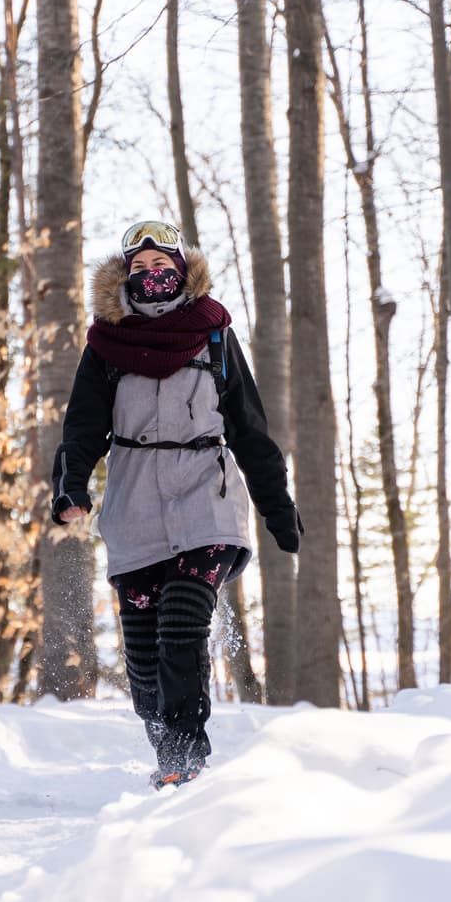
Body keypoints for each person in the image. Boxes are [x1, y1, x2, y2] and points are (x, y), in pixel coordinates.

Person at [50, 219, 301, 788]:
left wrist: (276, 507)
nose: (152, 274)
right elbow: (82, 427)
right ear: (122, 280)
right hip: (134, 499)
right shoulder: (106, 345)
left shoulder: (214, 336)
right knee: (142, 655)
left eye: (162, 264)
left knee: (183, 621)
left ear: (184, 272)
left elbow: (249, 428)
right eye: (138, 268)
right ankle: (164, 740)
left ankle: (185, 757)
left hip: (204, 498)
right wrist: (71, 487)